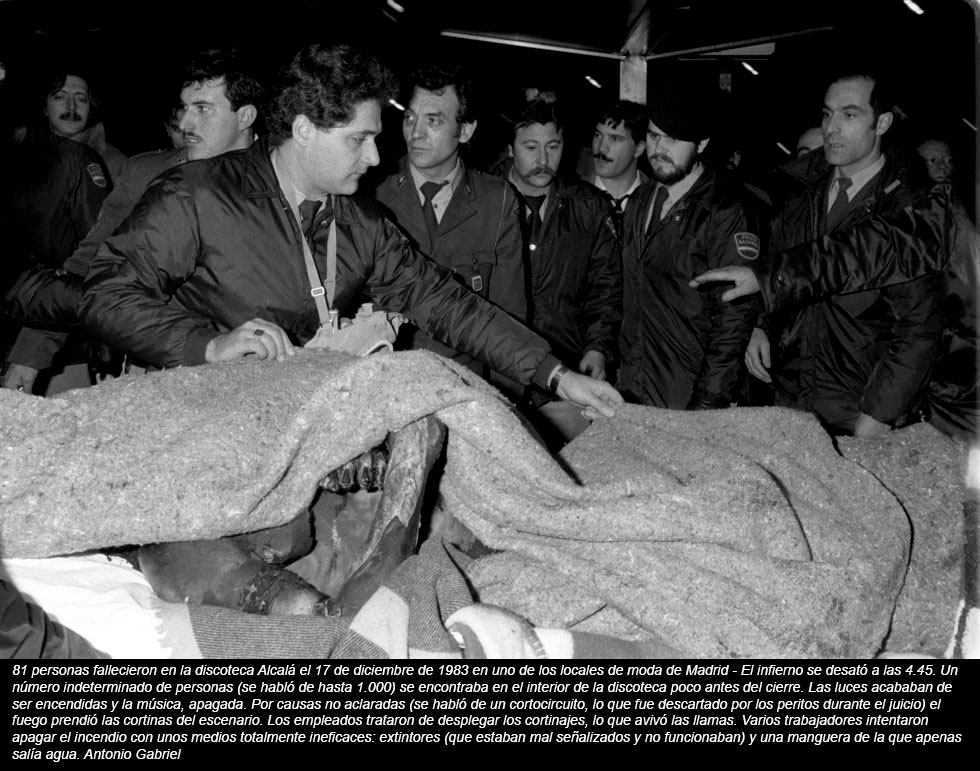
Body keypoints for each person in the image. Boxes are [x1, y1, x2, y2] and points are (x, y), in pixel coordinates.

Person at [2, 48, 263, 391]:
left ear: (245, 116)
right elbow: (88, 268)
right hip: (156, 370)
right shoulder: (145, 173)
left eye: (202, 108)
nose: (186, 123)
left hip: (258, 369)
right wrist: (29, 357)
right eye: (184, 107)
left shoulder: (280, 178)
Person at [714, 70, 943, 437]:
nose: (831, 128)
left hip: (858, 408)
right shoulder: (799, 198)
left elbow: (920, 328)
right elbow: (772, 271)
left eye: (849, 114)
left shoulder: (908, 213)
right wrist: (758, 325)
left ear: (882, 123)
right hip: (789, 401)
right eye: (827, 114)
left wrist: (879, 414)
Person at [374, 60, 526, 396]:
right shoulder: (374, 191)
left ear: (466, 130)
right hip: (384, 388)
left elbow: (509, 318)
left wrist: (506, 407)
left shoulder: (496, 200)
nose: (416, 133)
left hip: (465, 391)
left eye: (433, 120)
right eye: (409, 118)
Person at [617, 83, 764, 410]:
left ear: (702, 143)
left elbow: (733, 322)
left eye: (673, 139)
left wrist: (708, 404)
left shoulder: (726, 210)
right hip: (634, 386)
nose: (659, 149)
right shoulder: (640, 200)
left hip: (689, 394)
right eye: (653, 136)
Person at [498, 98, 621, 447]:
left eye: (553, 147)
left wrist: (597, 348)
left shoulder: (590, 207)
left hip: (567, 379)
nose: (542, 159)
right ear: (510, 149)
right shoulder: (481, 199)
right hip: (497, 378)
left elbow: (606, 288)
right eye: (530, 147)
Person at [587, 99, 648, 233]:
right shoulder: (568, 195)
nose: (601, 148)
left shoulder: (657, 201)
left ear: (638, 149)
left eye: (615, 139)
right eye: (597, 135)